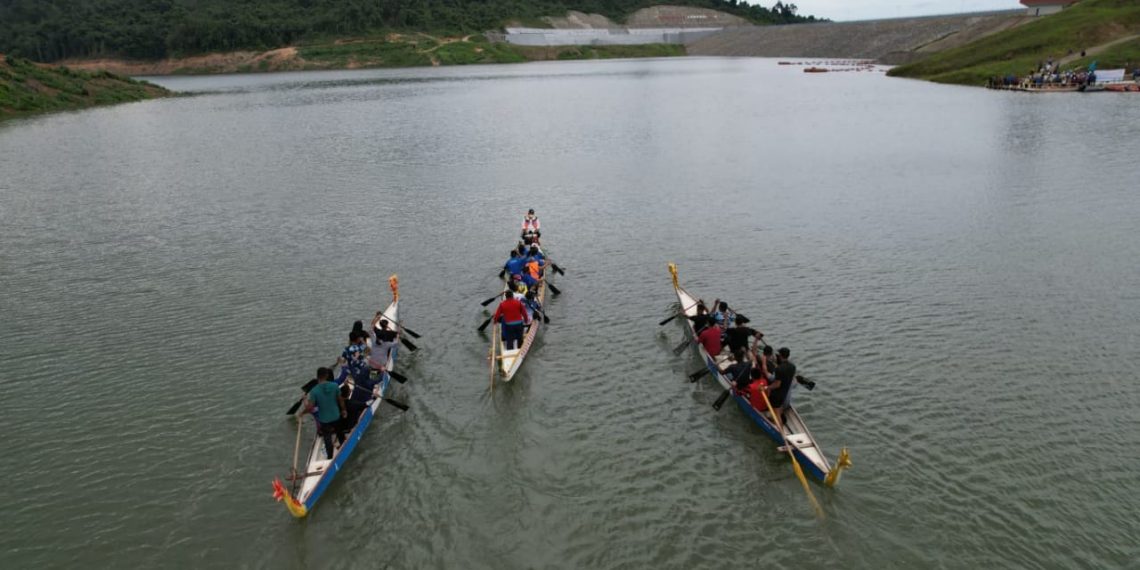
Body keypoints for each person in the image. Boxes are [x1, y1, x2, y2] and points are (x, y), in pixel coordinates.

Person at [306, 367, 347, 460]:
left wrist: (305, 402)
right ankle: (344, 447)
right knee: (340, 433)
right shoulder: (335, 386)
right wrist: (344, 410)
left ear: (317, 377)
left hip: (324, 420)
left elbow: (310, 407)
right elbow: (340, 400)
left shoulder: (314, 391)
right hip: (336, 416)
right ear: (327, 375)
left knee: (327, 439)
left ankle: (329, 457)